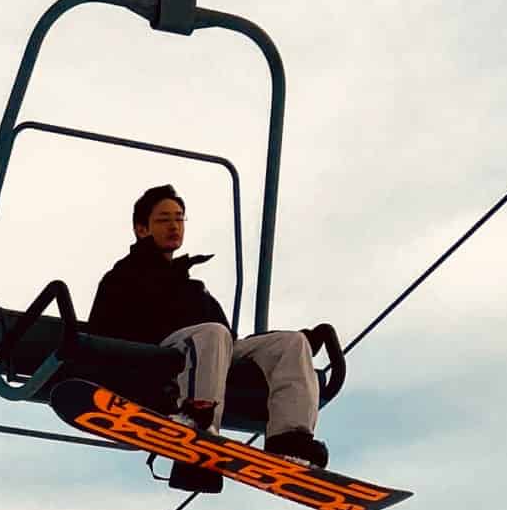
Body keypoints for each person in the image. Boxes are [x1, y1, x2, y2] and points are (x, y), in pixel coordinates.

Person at [89, 186, 328, 478]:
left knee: (291, 343)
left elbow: (228, 338)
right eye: (164, 219)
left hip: (211, 347)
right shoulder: (124, 276)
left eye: (179, 219)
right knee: (211, 334)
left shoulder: (189, 285)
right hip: (155, 351)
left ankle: (290, 440)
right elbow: (104, 330)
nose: (174, 226)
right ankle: (197, 422)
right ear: (142, 229)